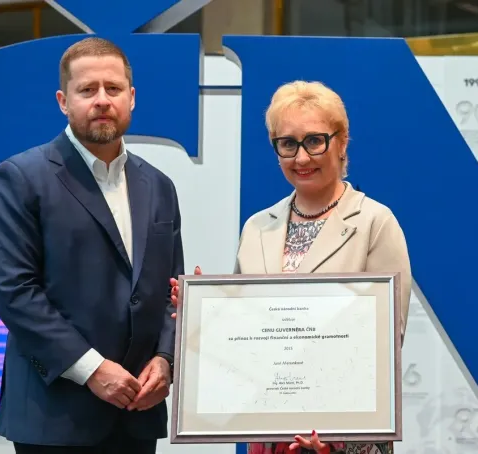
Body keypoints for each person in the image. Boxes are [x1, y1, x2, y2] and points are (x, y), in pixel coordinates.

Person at [170, 80, 411, 454]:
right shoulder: (257, 227)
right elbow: (242, 341)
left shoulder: (375, 223)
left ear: (342, 142)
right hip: (267, 432)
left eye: (315, 141)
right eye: (288, 144)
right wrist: (204, 316)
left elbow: (385, 346)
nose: (301, 158)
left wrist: (337, 437)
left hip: (342, 437)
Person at [0, 36, 184, 454]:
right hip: (54, 416)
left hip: (137, 412)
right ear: (63, 101)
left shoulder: (160, 186)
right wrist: (92, 369)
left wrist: (166, 359)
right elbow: (15, 291)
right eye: (87, 90)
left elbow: (173, 289)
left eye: (113, 89)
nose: (102, 100)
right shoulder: (21, 177)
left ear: (132, 97)